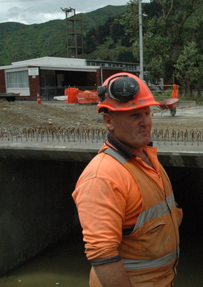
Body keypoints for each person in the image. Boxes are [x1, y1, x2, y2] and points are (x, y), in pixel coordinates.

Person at [72, 72, 182, 287]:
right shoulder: (102, 178)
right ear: (108, 121)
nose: (145, 122)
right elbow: (103, 255)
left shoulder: (147, 159)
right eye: (134, 116)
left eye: (147, 113)